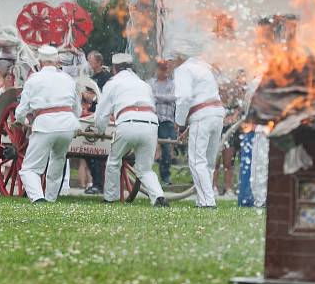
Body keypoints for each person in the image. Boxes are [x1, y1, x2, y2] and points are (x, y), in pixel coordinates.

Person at [93, 53, 167, 206]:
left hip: (128, 122)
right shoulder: (143, 84)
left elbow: (102, 112)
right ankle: (159, 197)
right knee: (145, 169)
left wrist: (99, 130)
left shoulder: (112, 83)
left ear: (114, 69)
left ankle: (110, 198)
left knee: (114, 161)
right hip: (151, 124)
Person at [14, 45, 80, 203]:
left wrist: (23, 122)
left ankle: (38, 199)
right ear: (57, 61)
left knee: (29, 169)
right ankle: (50, 199)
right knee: (57, 161)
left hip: (45, 125)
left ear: (40, 62)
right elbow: (76, 107)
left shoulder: (34, 79)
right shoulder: (68, 79)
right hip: (68, 124)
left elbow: (21, 111)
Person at [169, 49, 225, 208]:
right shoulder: (203, 66)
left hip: (202, 114)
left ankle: (207, 202)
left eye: (171, 59)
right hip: (216, 113)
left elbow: (185, 97)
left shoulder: (183, 69)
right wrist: (189, 128)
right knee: (208, 162)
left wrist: (179, 122)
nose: (170, 63)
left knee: (197, 160)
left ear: (179, 57)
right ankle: (205, 199)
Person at [147, 60, 176, 186]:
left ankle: (165, 177)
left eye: (166, 69)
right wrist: (162, 97)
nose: (164, 72)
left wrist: (157, 97)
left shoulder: (173, 84)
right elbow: (148, 97)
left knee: (166, 148)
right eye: (162, 69)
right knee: (147, 146)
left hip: (166, 120)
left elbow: (173, 98)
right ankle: (146, 175)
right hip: (152, 118)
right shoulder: (150, 83)